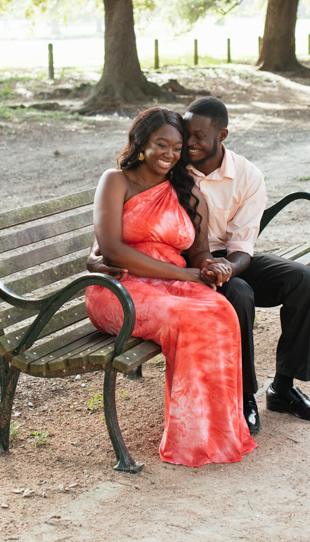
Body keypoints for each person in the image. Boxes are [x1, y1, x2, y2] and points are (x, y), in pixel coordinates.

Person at [89, 96, 310, 436]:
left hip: (225, 258)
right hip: (182, 265)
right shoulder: (172, 169)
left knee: (304, 280)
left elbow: (241, 247)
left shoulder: (244, 176)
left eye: (195, 137)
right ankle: (244, 396)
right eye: (182, 136)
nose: (186, 145)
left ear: (222, 136)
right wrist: (96, 254)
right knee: (238, 295)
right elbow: (122, 227)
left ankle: (283, 388)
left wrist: (222, 268)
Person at [85, 106, 256, 468]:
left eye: (176, 148)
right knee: (188, 320)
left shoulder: (185, 188)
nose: (169, 154)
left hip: (172, 284)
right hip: (118, 289)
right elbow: (111, 248)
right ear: (140, 142)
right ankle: (191, 439)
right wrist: (182, 276)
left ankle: (220, 431)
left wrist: (208, 267)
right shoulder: (116, 181)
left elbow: (197, 252)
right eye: (161, 144)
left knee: (221, 309)